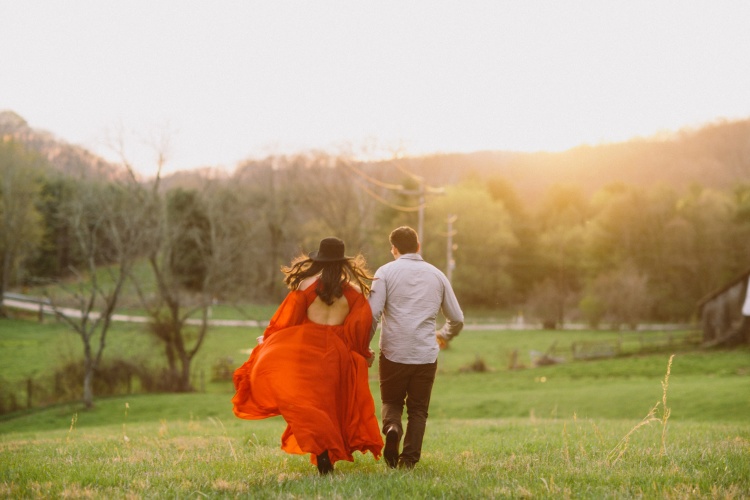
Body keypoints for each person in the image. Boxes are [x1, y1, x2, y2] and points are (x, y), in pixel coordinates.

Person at [232, 237, 383, 475]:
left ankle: (323, 453)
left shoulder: (306, 287)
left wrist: (270, 340)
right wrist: (365, 354)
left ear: (320, 262)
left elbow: (287, 321)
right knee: (330, 408)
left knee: (311, 406)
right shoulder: (354, 295)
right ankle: (327, 457)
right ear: (344, 264)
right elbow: (358, 334)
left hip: (306, 353)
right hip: (337, 357)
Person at [369, 226, 464, 470]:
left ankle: (392, 428)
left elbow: (372, 314)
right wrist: (442, 336)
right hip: (425, 354)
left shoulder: (385, 273)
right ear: (418, 246)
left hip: (393, 352)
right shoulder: (437, 275)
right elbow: (457, 318)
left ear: (394, 249)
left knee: (391, 400)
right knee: (418, 410)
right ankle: (409, 460)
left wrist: (362, 346)